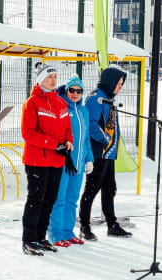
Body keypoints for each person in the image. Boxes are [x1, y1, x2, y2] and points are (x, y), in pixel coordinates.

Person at [21, 62, 74, 256]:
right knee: (36, 199)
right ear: (40, 79)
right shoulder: (32, 103)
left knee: (50, 199)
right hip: (37, 160)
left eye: (55, 77)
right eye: (49, 77)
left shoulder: (61, 102)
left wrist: (68, 141)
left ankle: (41, 237)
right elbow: (29, 133)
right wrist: (53, 144)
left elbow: (68, 129)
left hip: (57, 160)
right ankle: (29, 240)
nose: (53, 80)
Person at [79, 67, 132, 240]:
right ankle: (84, 227)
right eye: (118, 83)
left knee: (110, 189)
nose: (120, 86)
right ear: (109, 81)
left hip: (108, 154)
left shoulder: (108, 99)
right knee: (91, 190)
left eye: (122, 83)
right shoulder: (96, 98)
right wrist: (105, 140)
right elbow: (91, 124)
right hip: (98, 153)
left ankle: (112, 225)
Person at [48, 75, 94, 247]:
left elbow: (86, 138)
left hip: (79, 163)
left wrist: (88, 159)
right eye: (72, 90)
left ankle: (68, 232)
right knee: (59, 199)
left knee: (72, 200)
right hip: (63, 162)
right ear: (66, 91)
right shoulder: (61, 108)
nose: (75, 94)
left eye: (79, 91)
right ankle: (55, 233)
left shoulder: (83, 111)